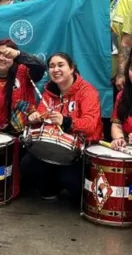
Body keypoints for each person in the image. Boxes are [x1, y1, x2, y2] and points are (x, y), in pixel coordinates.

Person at [24, 53, 102, 202]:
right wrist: (34, 117)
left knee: (71, 181)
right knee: (27, 164)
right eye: (52, 66)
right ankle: (50, 190)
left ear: (72, 68)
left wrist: (66, 121)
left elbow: (91, 125)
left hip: (81, 150)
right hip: (53, 146)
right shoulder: (49, 93)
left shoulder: (87, 92)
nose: (56, 69)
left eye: (61, 65)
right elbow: (41, 113)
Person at [0, 40, 45, 135]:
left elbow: (41, 66)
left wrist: (18, 54)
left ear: (14, 58)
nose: (1, 58)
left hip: (24, 135)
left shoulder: (24, 73)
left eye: (7, 55)